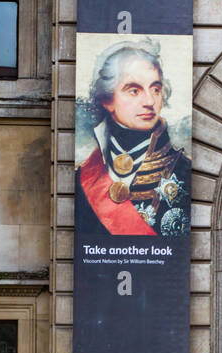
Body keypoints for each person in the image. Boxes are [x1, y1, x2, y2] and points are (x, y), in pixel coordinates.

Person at [75, 39, 191, 237]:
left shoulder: (183, 171)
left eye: (156, 89)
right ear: (107, 99)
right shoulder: (83, 177)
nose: (149, 101)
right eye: (134, 90)